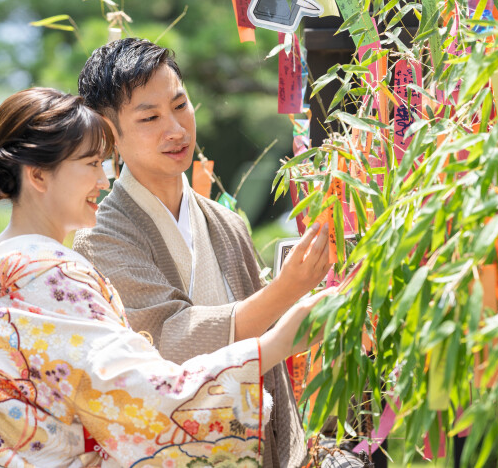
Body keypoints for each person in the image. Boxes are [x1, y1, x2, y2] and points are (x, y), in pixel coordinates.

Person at [0, 87, 332, 467]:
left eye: (104, 162)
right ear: (36, 176)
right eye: (90, 163)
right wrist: (274, 344)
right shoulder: (60, 282)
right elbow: (155, 403)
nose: (102, 178)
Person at [73, 38, 333, 467]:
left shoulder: (225, 222)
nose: (175, 129)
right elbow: (167, 341)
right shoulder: (101, 237)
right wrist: (286, 291)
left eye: (180, 105)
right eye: (150, 117)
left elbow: (270, 335)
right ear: (107, 130)